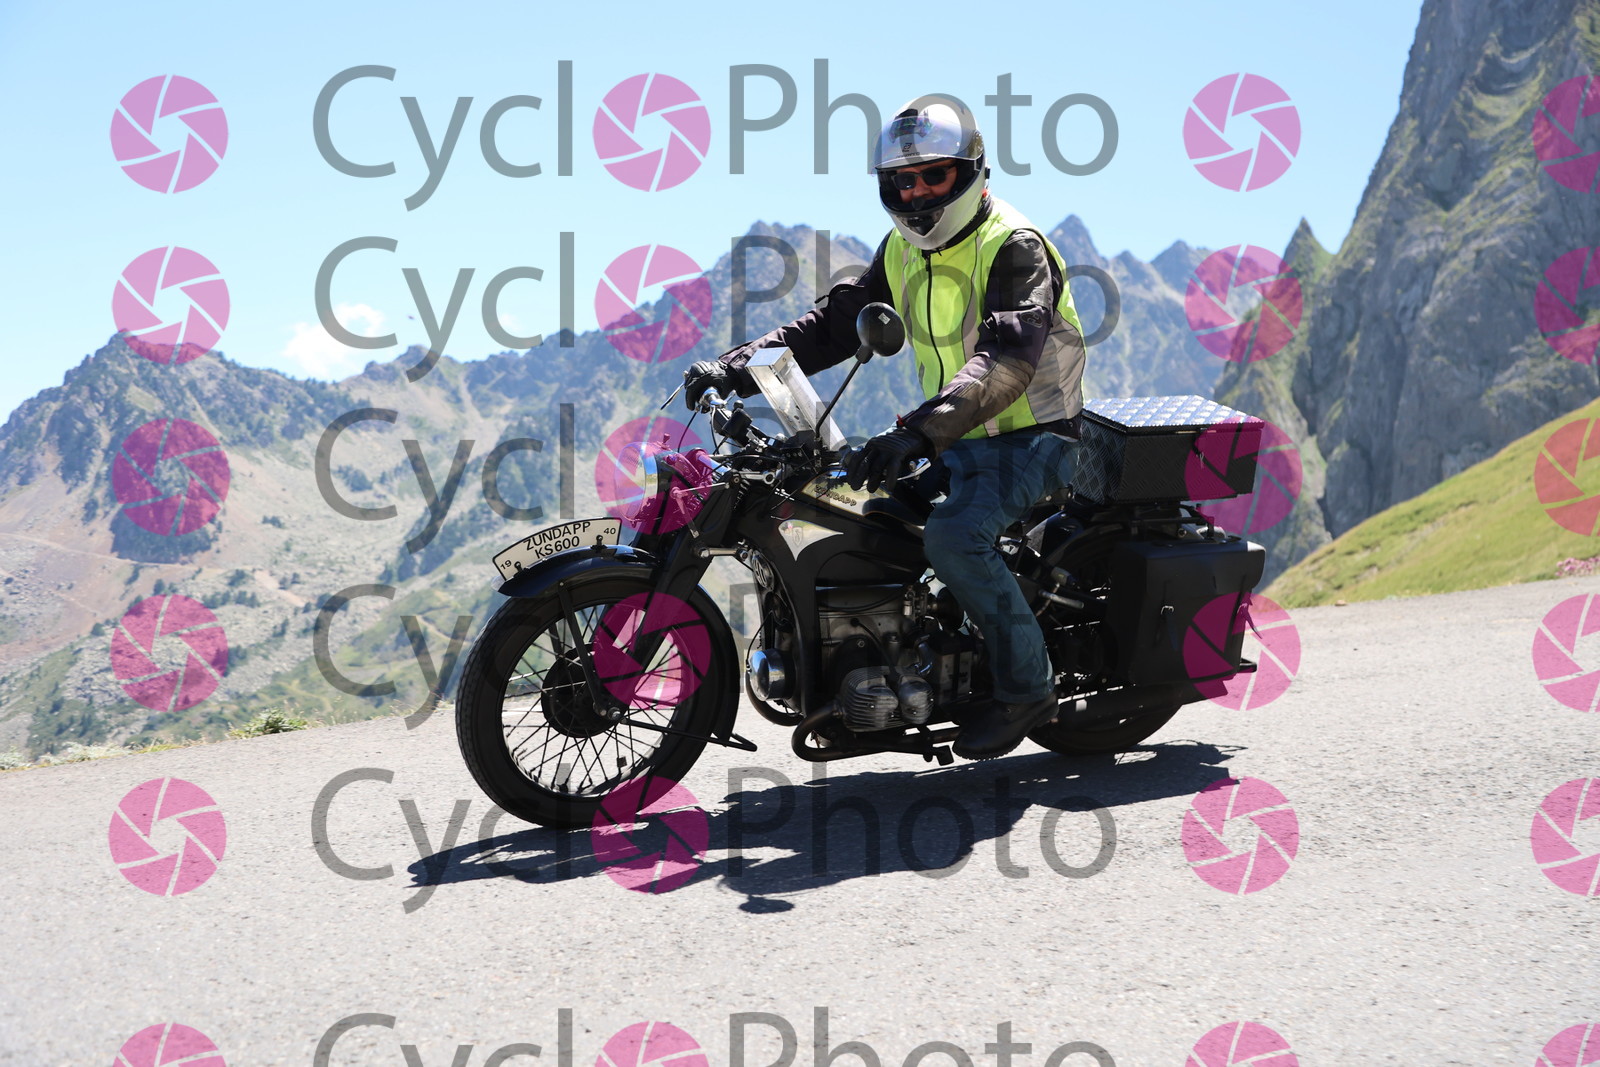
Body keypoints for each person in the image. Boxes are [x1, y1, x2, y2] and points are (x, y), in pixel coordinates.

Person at [683, 96, 1087, 760]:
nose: (917, 192)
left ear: (972, 170)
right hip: (956, 437)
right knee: (856, 511)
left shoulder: (1013, 247)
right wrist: (734, 368)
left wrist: (918, 434)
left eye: (933, 175)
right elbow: (832, 327)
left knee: (956, 538)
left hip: (1034, 439)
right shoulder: (902, 250)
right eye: (903, 180)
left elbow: (1005, 363)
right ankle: (904, 656)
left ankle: (1027, 688)